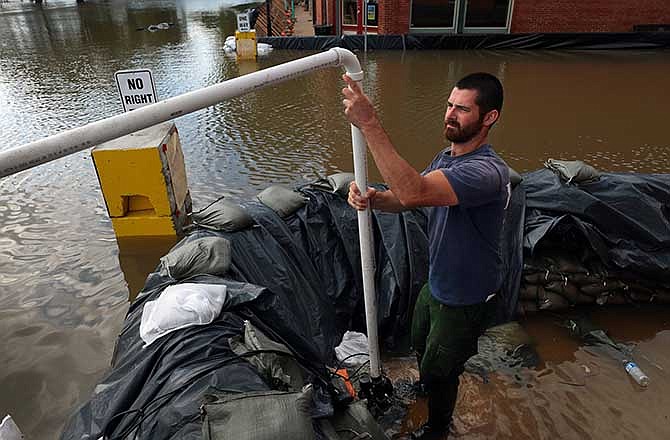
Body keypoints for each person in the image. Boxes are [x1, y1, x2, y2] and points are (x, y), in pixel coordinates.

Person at [342, 72, 510, 439]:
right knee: (420, 340)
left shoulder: (487, 172)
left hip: (467, 296)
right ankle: (428, 388)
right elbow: (406, 196)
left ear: (489, 117)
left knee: (441, 368)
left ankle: (438, 428)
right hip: (438, 282)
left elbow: (415, 191)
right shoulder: (446, 158)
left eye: (462, 109)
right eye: (449, 105)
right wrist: (374, 199)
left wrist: (369, 123)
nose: (450, 114)